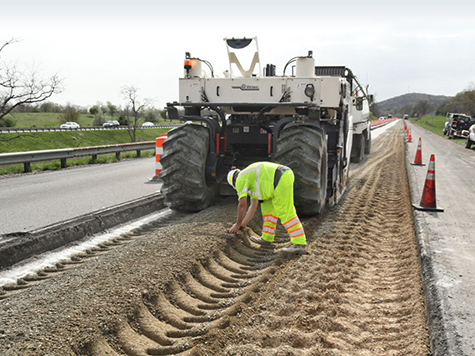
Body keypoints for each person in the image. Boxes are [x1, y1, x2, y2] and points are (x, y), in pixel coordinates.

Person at [227, 162, 306, 255]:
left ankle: (300, 244)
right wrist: (243, 225)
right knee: (267, 212)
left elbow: (242, 205)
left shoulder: (241, 178)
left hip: (280, 178)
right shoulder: (250, 178)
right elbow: (252, 207)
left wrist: (237, 224)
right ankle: (267, 238)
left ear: (235, 179)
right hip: (273, 186)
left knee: (285, 212)